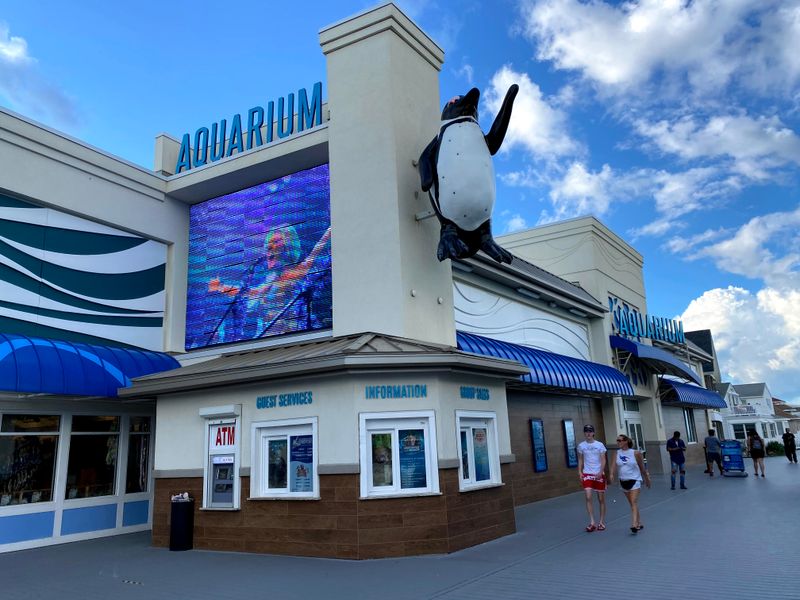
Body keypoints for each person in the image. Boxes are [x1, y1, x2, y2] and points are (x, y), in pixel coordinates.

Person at [207, 226, 332, 342]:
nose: (270, 246)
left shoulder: (294, 273)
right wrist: (221, 287)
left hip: (292, 336)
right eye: (269, 242)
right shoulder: (271, 278)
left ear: (288, 246)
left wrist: (327, 234)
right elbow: (250, 292)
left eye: (276, 241)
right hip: (268, 337)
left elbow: (313, 256)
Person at [609, 433, 650, 534]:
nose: (618, 442)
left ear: (626, 441)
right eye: (617, 440)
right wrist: (611, 475)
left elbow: (642, 467)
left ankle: (634, 525)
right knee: (632, 503)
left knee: (634, 501)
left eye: (620, 440)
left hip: (635, 480)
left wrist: (647, 478)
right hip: (623, 481)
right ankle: (639, 522)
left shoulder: (635, 453)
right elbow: (613, 465)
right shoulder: (616, 453)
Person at [577, 424, 607, 532]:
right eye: (586, 431)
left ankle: (601, 522)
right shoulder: (581, 446)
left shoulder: (600, 445)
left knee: (601, 499)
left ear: (593, 433)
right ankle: (592, 522)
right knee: (588, 497)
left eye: (590, 431)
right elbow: (580, 459)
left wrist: (600, 471)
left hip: (598, 474)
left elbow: (603, 459)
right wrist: (580, 472)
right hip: (587, 474)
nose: (588, 433)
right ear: (584, 433)